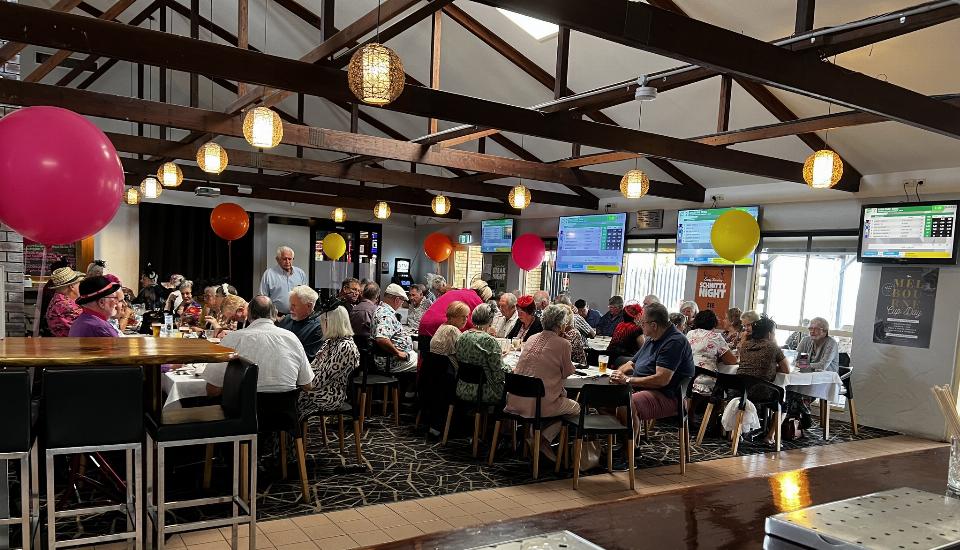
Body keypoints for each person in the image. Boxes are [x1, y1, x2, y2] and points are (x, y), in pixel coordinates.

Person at [202, 296, 313, 396]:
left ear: (249, 314)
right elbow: (307, 385)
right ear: (274, 313)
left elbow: (212, 389)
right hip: (286, 415)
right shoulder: (292, 338)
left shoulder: (232, 339)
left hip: (243, 415)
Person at [506, 304, 580, 451]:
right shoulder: (564, 344)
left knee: (557, 403)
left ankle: (537, 439)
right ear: (561, 324)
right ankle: (543, 441)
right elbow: (567, 372)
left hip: (515, 399)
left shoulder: (532, 338)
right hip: (539, 405)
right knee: (575, 408)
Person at [611, 302, 695, 431]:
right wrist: (616, 375)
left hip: (668, 395)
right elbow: (631, 363)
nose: (640, 325)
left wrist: (627, 380)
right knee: (604, 401)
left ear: (654, 325)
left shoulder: (675, 342)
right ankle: (625, 439)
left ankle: (631, 448)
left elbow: (661, 380)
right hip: (643, 388)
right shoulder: (652, 338)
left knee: (624, 403)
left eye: (643, 323)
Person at [297, 304, 359, 418]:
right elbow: (313, 368)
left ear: (331, 323)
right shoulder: (330, 341)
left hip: (330, 396)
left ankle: (289, 434)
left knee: (286, 398)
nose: (321, 325)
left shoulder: (345, 347)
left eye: (323, 322)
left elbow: (318, 382)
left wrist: (300, 380)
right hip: (318, 389)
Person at [736, 315, 790, 444]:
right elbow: (787, 369)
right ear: (770, 334)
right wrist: (772, 367)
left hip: (740, 389)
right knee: (783, 403)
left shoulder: (745, 345)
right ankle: (770, 436)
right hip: (762, 391)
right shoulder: (773, 347)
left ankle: (738, 432)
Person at [455, 304, 510, 404]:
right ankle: (495, 419)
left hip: (461, 387)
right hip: (484, 391)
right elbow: (499, 374)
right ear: (490, 320)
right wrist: (512, 369)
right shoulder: (489, 340)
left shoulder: (462, 336)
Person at [687, 310, 737, 395]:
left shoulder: (690, 333)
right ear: (714, 323)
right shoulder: (716, 337)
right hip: (706, 380)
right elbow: (731, 361)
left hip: (688, 377)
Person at [418, 279, 492, 337]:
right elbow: (475, 327)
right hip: (441, 328)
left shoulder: (454, 292)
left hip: (424, 324)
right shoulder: (477, 300)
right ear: (484, 296)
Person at [373, 284, 418, 372]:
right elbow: (381, 338)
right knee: (426, 364)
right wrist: (398, 353)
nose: (402, 304)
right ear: (397, 300)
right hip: (391, 361)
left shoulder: (380, 309)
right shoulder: (386, 315)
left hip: (390, 358)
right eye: (402, 301)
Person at [277, 285, 324, 361]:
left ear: (309, 306)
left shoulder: (318, 328)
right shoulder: (287, 318)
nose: (290, 308)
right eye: (290, 304)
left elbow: (305, 359)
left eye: (294, 305)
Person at [259, 246, 308, 316]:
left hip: (298, 315)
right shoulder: (269, 274)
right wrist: (271, 316)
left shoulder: (300, 273)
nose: (287, 262)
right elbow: (263, 298)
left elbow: (305, 295)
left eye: (290, 259)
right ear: (277, 259)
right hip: (277, 316)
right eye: (284, 259)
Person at [45, 267, 85, 337]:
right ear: (72, 286)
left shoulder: (58, 299)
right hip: (70, 345)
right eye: (79, 284)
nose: (80, 287)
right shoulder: (65, 305)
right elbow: (86, 327)